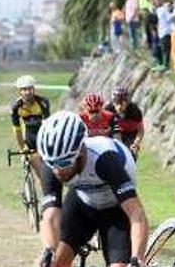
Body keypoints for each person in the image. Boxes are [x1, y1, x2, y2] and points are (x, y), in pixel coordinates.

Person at [37, 111, 148, 267]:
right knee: (52, 263)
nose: (57, 171)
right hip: (82, 202)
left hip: (116, 209)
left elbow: (136, 214)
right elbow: (50, 217)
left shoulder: (105, 160)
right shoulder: (53, 161)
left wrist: (138, 257)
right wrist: (49, 250)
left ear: (80, 152)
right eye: (51, 164)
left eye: (63, 164)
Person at [11, 74, 51, 173]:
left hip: (42, 137)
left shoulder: (43, 102)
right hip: (29, 139)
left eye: (30, 89)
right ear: (19, 91)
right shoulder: (16, 107)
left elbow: (48, 125)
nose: (28, 92)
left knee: (48, 168)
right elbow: (17, 130)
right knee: (38, 170)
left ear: (34, 89)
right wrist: (22, 148)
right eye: (24, 90)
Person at [106, 86, 144, 159]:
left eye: (122, 103)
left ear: (127, 103)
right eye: (117, 103)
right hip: (114, 131)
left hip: (130, 134)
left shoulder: (135, 111)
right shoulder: (108, 109)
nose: (119, 106)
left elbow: (141, 131)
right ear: (113, 102)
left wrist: (136, 144)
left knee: (132, 153)